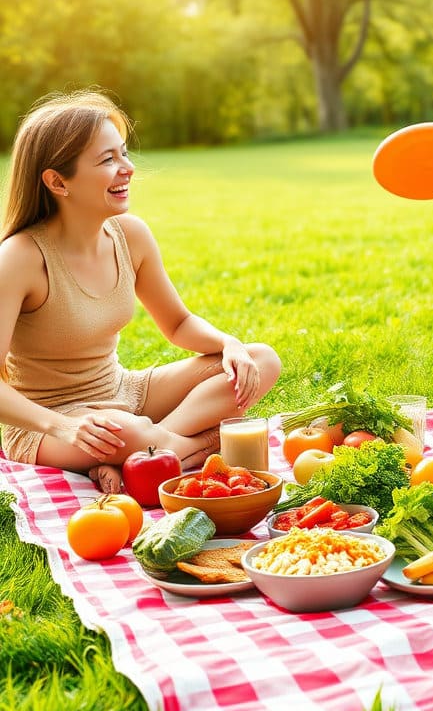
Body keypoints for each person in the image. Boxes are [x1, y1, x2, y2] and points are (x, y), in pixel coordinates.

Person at [0, 91, 282, 493]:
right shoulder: (20, 259)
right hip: (53, 421)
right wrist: (62, 425)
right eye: (107, 160)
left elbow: (179, 323)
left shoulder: (130, 235)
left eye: (124, 154)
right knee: (127, 431)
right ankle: (192, 448)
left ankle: (151, 453)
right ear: (58, 181)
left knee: (259, 360)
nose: (127, 169)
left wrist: (229, 343)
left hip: (123, 392)